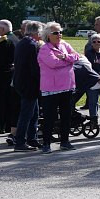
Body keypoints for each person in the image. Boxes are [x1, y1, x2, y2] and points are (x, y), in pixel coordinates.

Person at [37, 22, 80, 153]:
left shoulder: (65, 45)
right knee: (50, 116)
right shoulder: (45, 49)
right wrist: (68, 62)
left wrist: (66, 57)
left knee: (66, 115)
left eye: (60, 32)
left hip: (67, 86)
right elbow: (53, 63)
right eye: (55, 33)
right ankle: (46, 143)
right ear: (48, 35)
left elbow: (77, 56)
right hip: (51, 88)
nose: (59, 35)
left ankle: (65, 141)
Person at [11, 21, 43, 151]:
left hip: (21, 82)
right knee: (26, 114)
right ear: (36, 32)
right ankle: (20, 142)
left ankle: (32, 138)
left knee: (34, 113)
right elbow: (34, 68)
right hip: (29, 84)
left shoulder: (22, 43)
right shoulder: (31, 45)